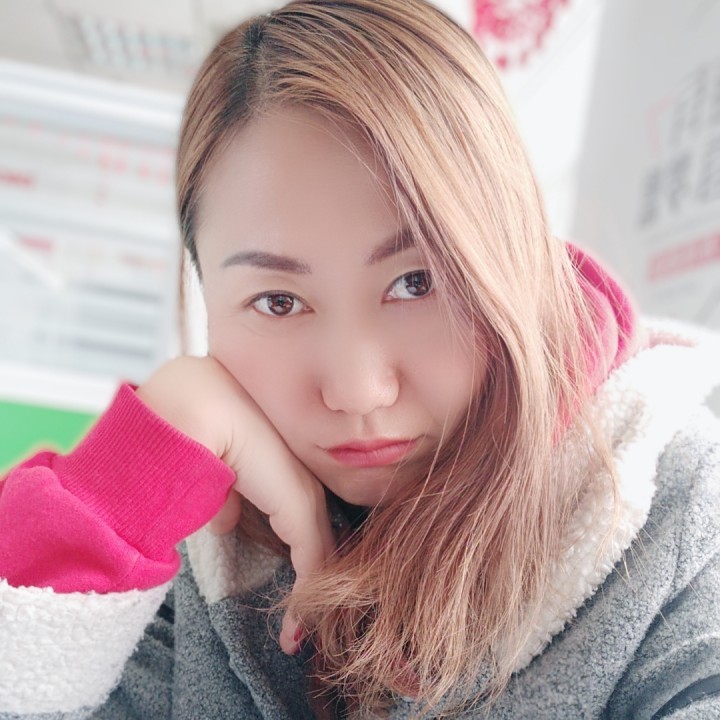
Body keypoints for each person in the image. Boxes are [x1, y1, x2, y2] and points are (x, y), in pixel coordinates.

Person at [1, 0, 719, 717]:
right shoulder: (196, 531)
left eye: (417, 282)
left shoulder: (674, 510)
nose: (357, 390)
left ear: (514, 258)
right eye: (278, 301)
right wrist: (134, 473)